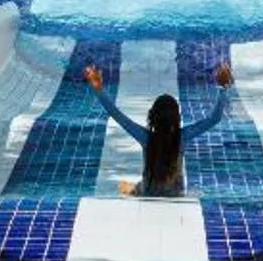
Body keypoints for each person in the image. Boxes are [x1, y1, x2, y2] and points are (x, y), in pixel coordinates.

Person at [83, 61, 235, 196]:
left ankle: (131, 190)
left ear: (153, 116)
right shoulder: (181, 137)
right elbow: (214, 119)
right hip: (175, 191)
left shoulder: (145, 137)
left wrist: (98, 90)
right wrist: (223, 88)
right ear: (177, 118)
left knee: (123, 186)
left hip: (148, 190)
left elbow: (116, 115)